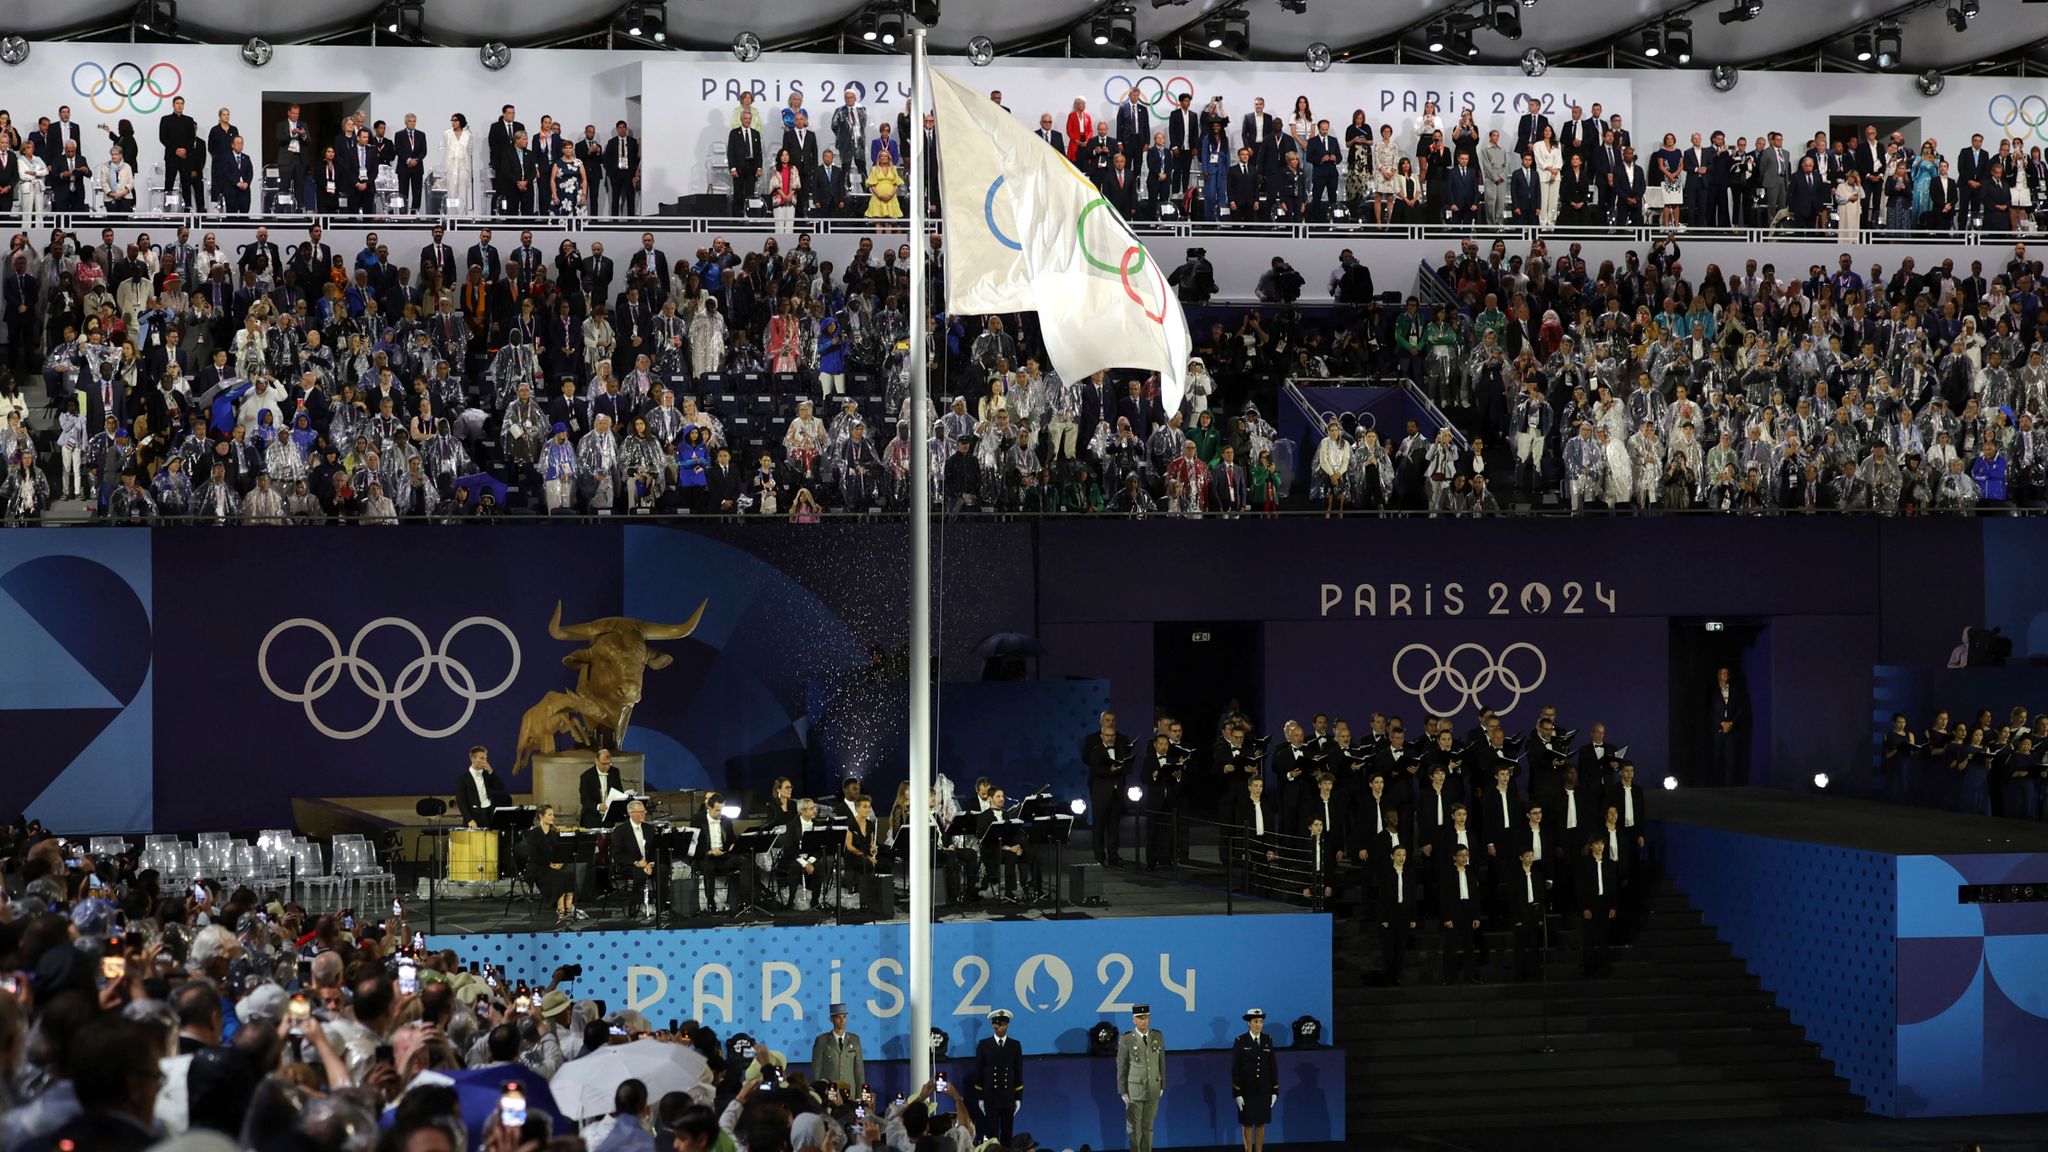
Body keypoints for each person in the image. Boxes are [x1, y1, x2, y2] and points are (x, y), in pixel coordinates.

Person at [1082, 710, 1134, 867]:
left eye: (1113, 720)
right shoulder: (1093, 743)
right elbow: (1089, 761)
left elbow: (1127, 764)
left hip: (1117, 788)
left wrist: (1120, 768)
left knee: (1114, 824)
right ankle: (1099, 856)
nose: (1110, 722)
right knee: (1099, 823)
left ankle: (1113, 854)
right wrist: (1107, 769)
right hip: (1100, 788)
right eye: (1107, 720)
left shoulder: (1122, 742)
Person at [1115, 1004, 1166, 1152]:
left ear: (1149, 1019)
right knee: (1134, 1128)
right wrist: (1122, 1090)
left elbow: (1161, 1061)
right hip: (1135, 1090)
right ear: (1134, 1020)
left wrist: (1162, 1084)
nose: (1143, 1021)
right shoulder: (1126, 1039)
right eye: (1139, 1018)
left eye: (1146, 1018)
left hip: (1153, 1088)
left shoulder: (1157, 1036)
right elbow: (1122, 1066)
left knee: (1148, 1127)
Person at [971, 1008, 1023, 1145]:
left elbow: (1018, 1071)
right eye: (998, 1025)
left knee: (1007, 1134)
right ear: (993, 1026)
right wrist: (980, 1097)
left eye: (1004, 1024)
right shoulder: (984, 1045)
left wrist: (1018, 1097)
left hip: (1008, 1096)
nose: (1001, 1028)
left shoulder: (1015, 1045)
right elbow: (979, 1072)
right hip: (990, 1096)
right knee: (991, 1134)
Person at [523, 803, 580, 927]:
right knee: (558, 877)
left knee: (569, 873)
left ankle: (569, 908)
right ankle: (560, 910)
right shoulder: (534, 834)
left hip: (555, 865)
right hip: (539, 867)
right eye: (550, 814)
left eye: (553, 814)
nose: (553, 817)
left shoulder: (554, 833)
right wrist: (549, 864)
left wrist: (560, 862)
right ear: (541, 817)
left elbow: (562, 851)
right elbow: (533, 855)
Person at [610, 798, 659, 919]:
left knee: (663, 870)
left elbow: (654, 850)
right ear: (631, 814)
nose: (643, 814)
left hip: (648, 863)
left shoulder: (649, 829)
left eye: (644, 811)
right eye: (639, 812)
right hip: (630, 865)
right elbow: (617, 854)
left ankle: (660, 905)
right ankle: (634, 905)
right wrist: (636, 862)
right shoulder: (620, 831)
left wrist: (650, 864)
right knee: (640, 875)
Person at [1579, 837, 1618, 977]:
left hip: (1605, 904)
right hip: (1590, 904)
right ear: (1591, 846)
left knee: (1603, 937)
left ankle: (1603, 967)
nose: (1600, 846)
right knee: (1588, 938)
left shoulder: (1611, 864)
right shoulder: (1584, 865)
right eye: (1596, 844)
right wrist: (1585, 907)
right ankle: (1588, 967)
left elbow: (1614, 887)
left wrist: (1613, 906)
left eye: (1601, 843)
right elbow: (1581, 887)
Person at [811, 1002, 866, 1089]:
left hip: (849, 1092)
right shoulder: (822, 1041)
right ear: (831, 1019)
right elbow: (816, 1071)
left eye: (844, 1017)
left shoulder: (855, 1040)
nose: (842, 1021)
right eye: (838, 1017)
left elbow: (859, 1071)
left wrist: (859, 1097)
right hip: (830, 1092)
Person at [455, 744, 507, 828]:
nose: (485, 761)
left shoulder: (487, 775)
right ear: (473, 759)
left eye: (486, 758)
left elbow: (501, 786)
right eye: (482, 758)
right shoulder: (462, 779)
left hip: (488, 813)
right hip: (474, 816)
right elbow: (461, 802)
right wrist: (469, 819)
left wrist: (491, 771)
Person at [579, 747, 626, 827]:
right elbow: (585, 799)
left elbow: (619, 791)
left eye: (609, 763)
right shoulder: (586, 776)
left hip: (608, 818)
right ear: (596, 761)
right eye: (604, 764)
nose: (607, 767)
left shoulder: (615, 772)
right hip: (591, 817)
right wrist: (598, 806)